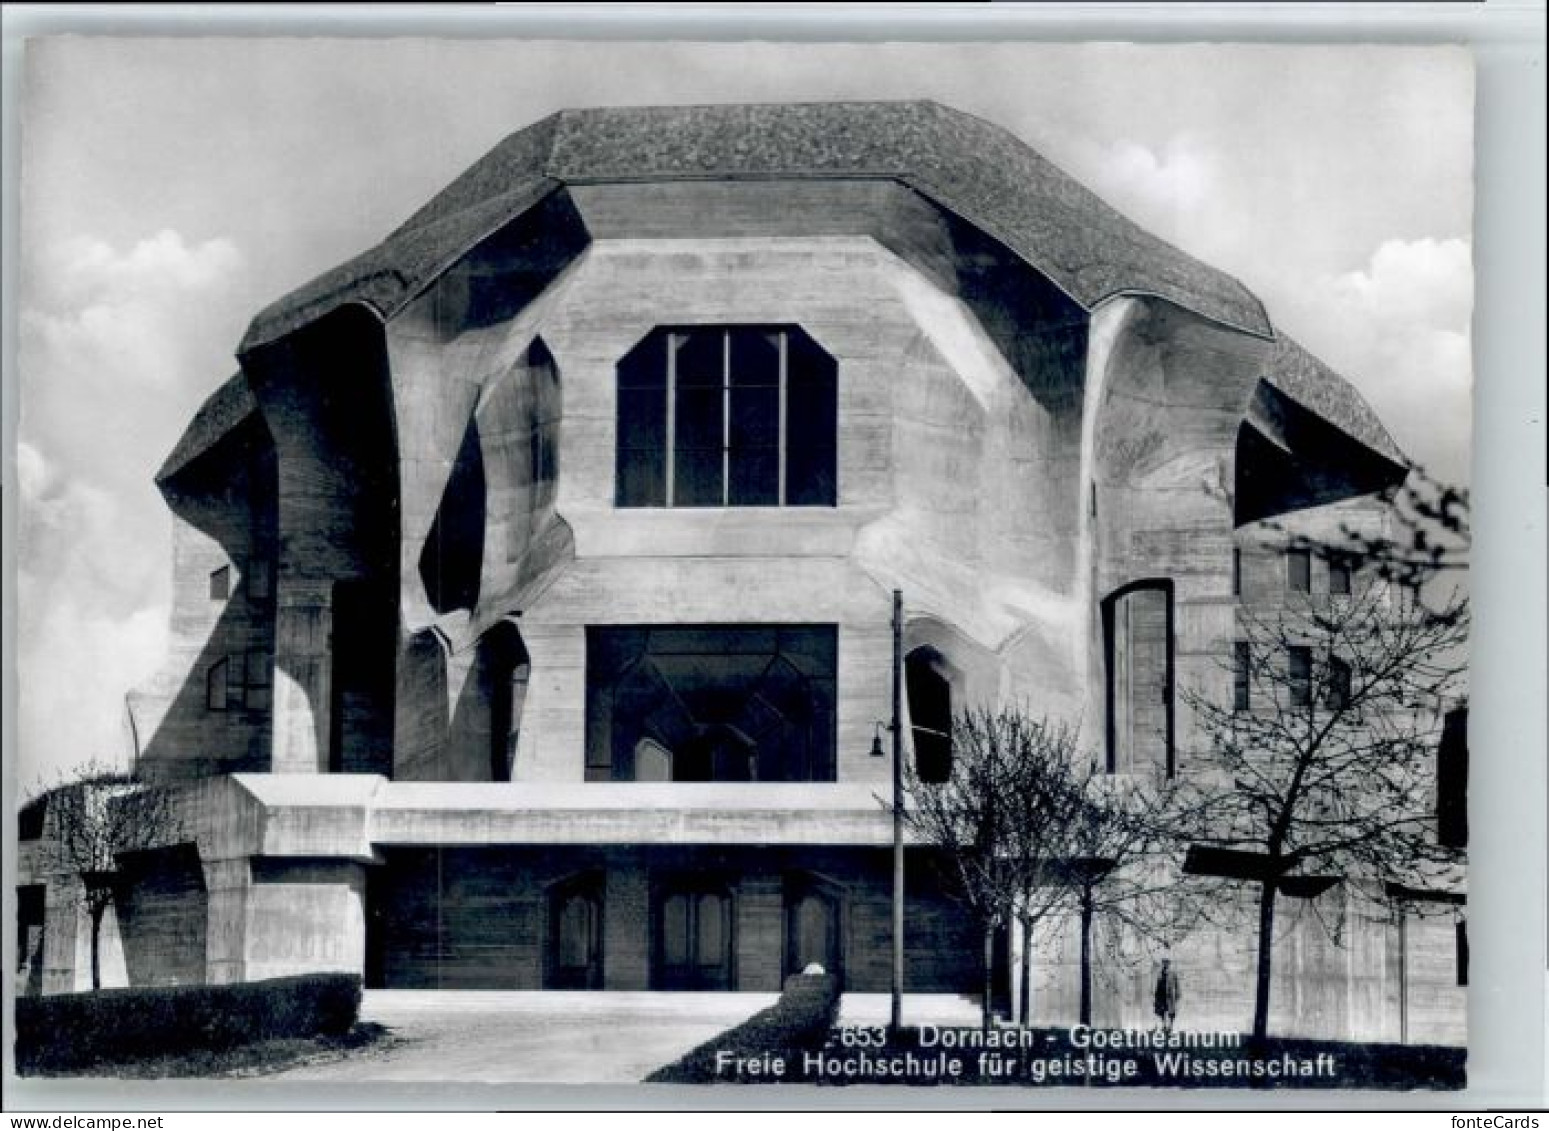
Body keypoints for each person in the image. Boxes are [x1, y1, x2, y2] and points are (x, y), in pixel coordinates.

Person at [1154, 957, 1181, 1034]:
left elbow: (1177, 984)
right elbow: (1157, 983)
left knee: (1171, 1011)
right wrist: (1155, 994)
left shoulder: (1172, 973)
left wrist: (1177, 993)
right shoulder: (1159, 972)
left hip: (1170, 995)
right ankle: (1164, 1025)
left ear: (1169, 964)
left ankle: (1171, 1026)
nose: (1165, 964)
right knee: (1161, 1011)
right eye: (1164, 962)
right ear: (1162, 963)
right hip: (1161, 995)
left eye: (1167, 962)